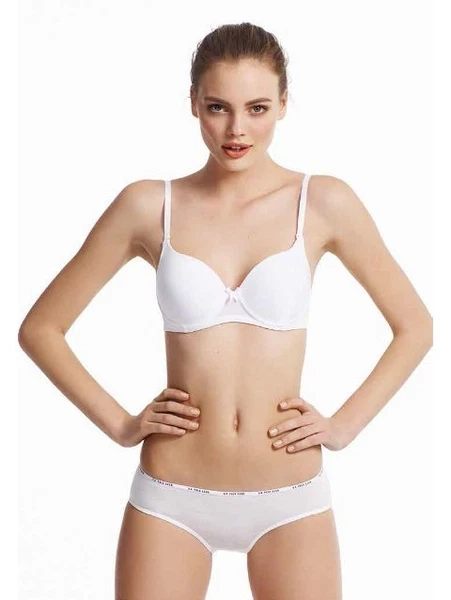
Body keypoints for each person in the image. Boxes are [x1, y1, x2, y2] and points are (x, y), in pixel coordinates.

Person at [18, 21, 433, 600]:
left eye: (257, 108)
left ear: (284, 104)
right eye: (218, 107)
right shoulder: (149, 205)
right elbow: (41, 329)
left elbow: (415, 326)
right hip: (171, 497)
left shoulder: (322, 202)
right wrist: (121, 424)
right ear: (193, 103)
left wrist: (343, 426)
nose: (237, 130)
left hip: (290, 498)